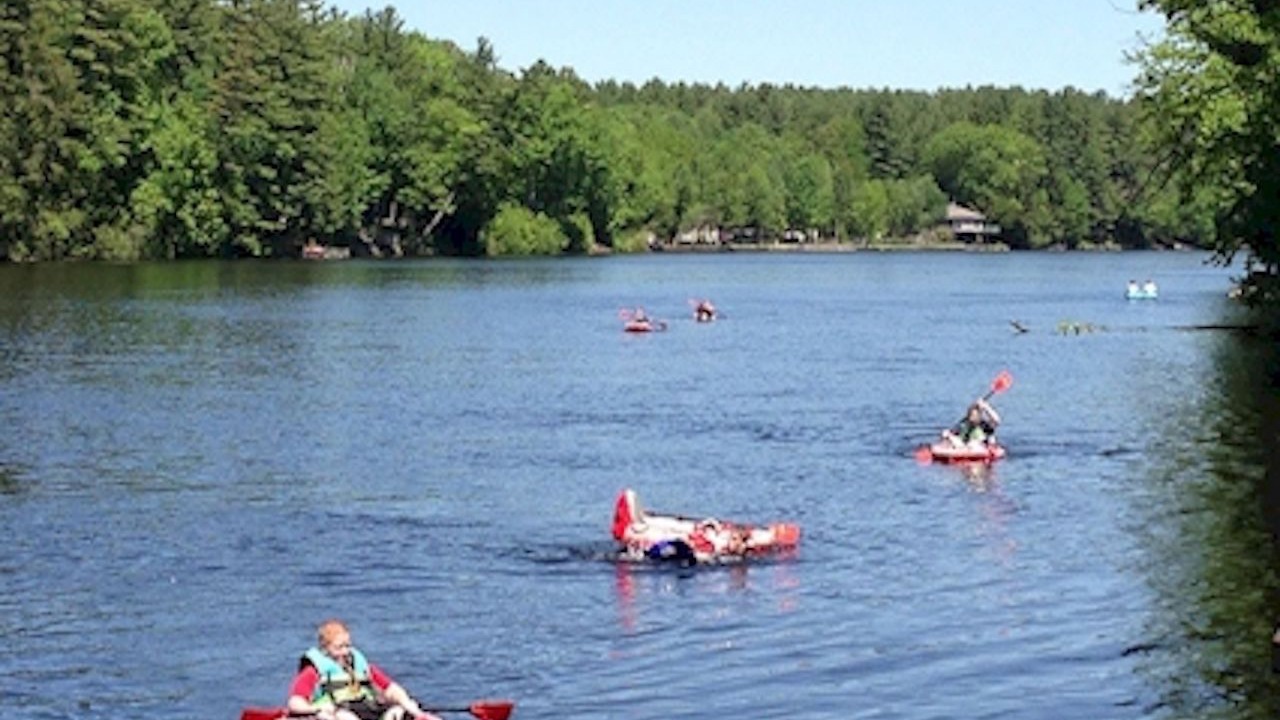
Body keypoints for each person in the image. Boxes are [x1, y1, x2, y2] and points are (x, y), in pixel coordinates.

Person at [287, 619, 440, 720]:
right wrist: (316, 708)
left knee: (399, 711)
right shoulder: (312, 671)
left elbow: (390, 688)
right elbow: (295, 703)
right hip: (337, 712)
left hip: (365, 708)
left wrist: (410, 706)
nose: (345, 652)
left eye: (347, 645)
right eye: (339, 648)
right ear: (325, 648)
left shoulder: (360, 665)